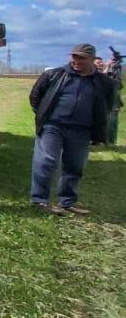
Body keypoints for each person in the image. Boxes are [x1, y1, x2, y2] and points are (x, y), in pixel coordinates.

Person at [29, 43, 115, 215]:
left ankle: (67, 203)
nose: (76, 61)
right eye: (74, 57)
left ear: (92, 59)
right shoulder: (54, 75)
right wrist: (44, 115)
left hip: (81, 130)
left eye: (81, 58)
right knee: (46, 160)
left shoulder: (103, 82)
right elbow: (35, 97)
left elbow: (108, 103)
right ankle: (39, 201)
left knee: (74, 166)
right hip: (53, 126)